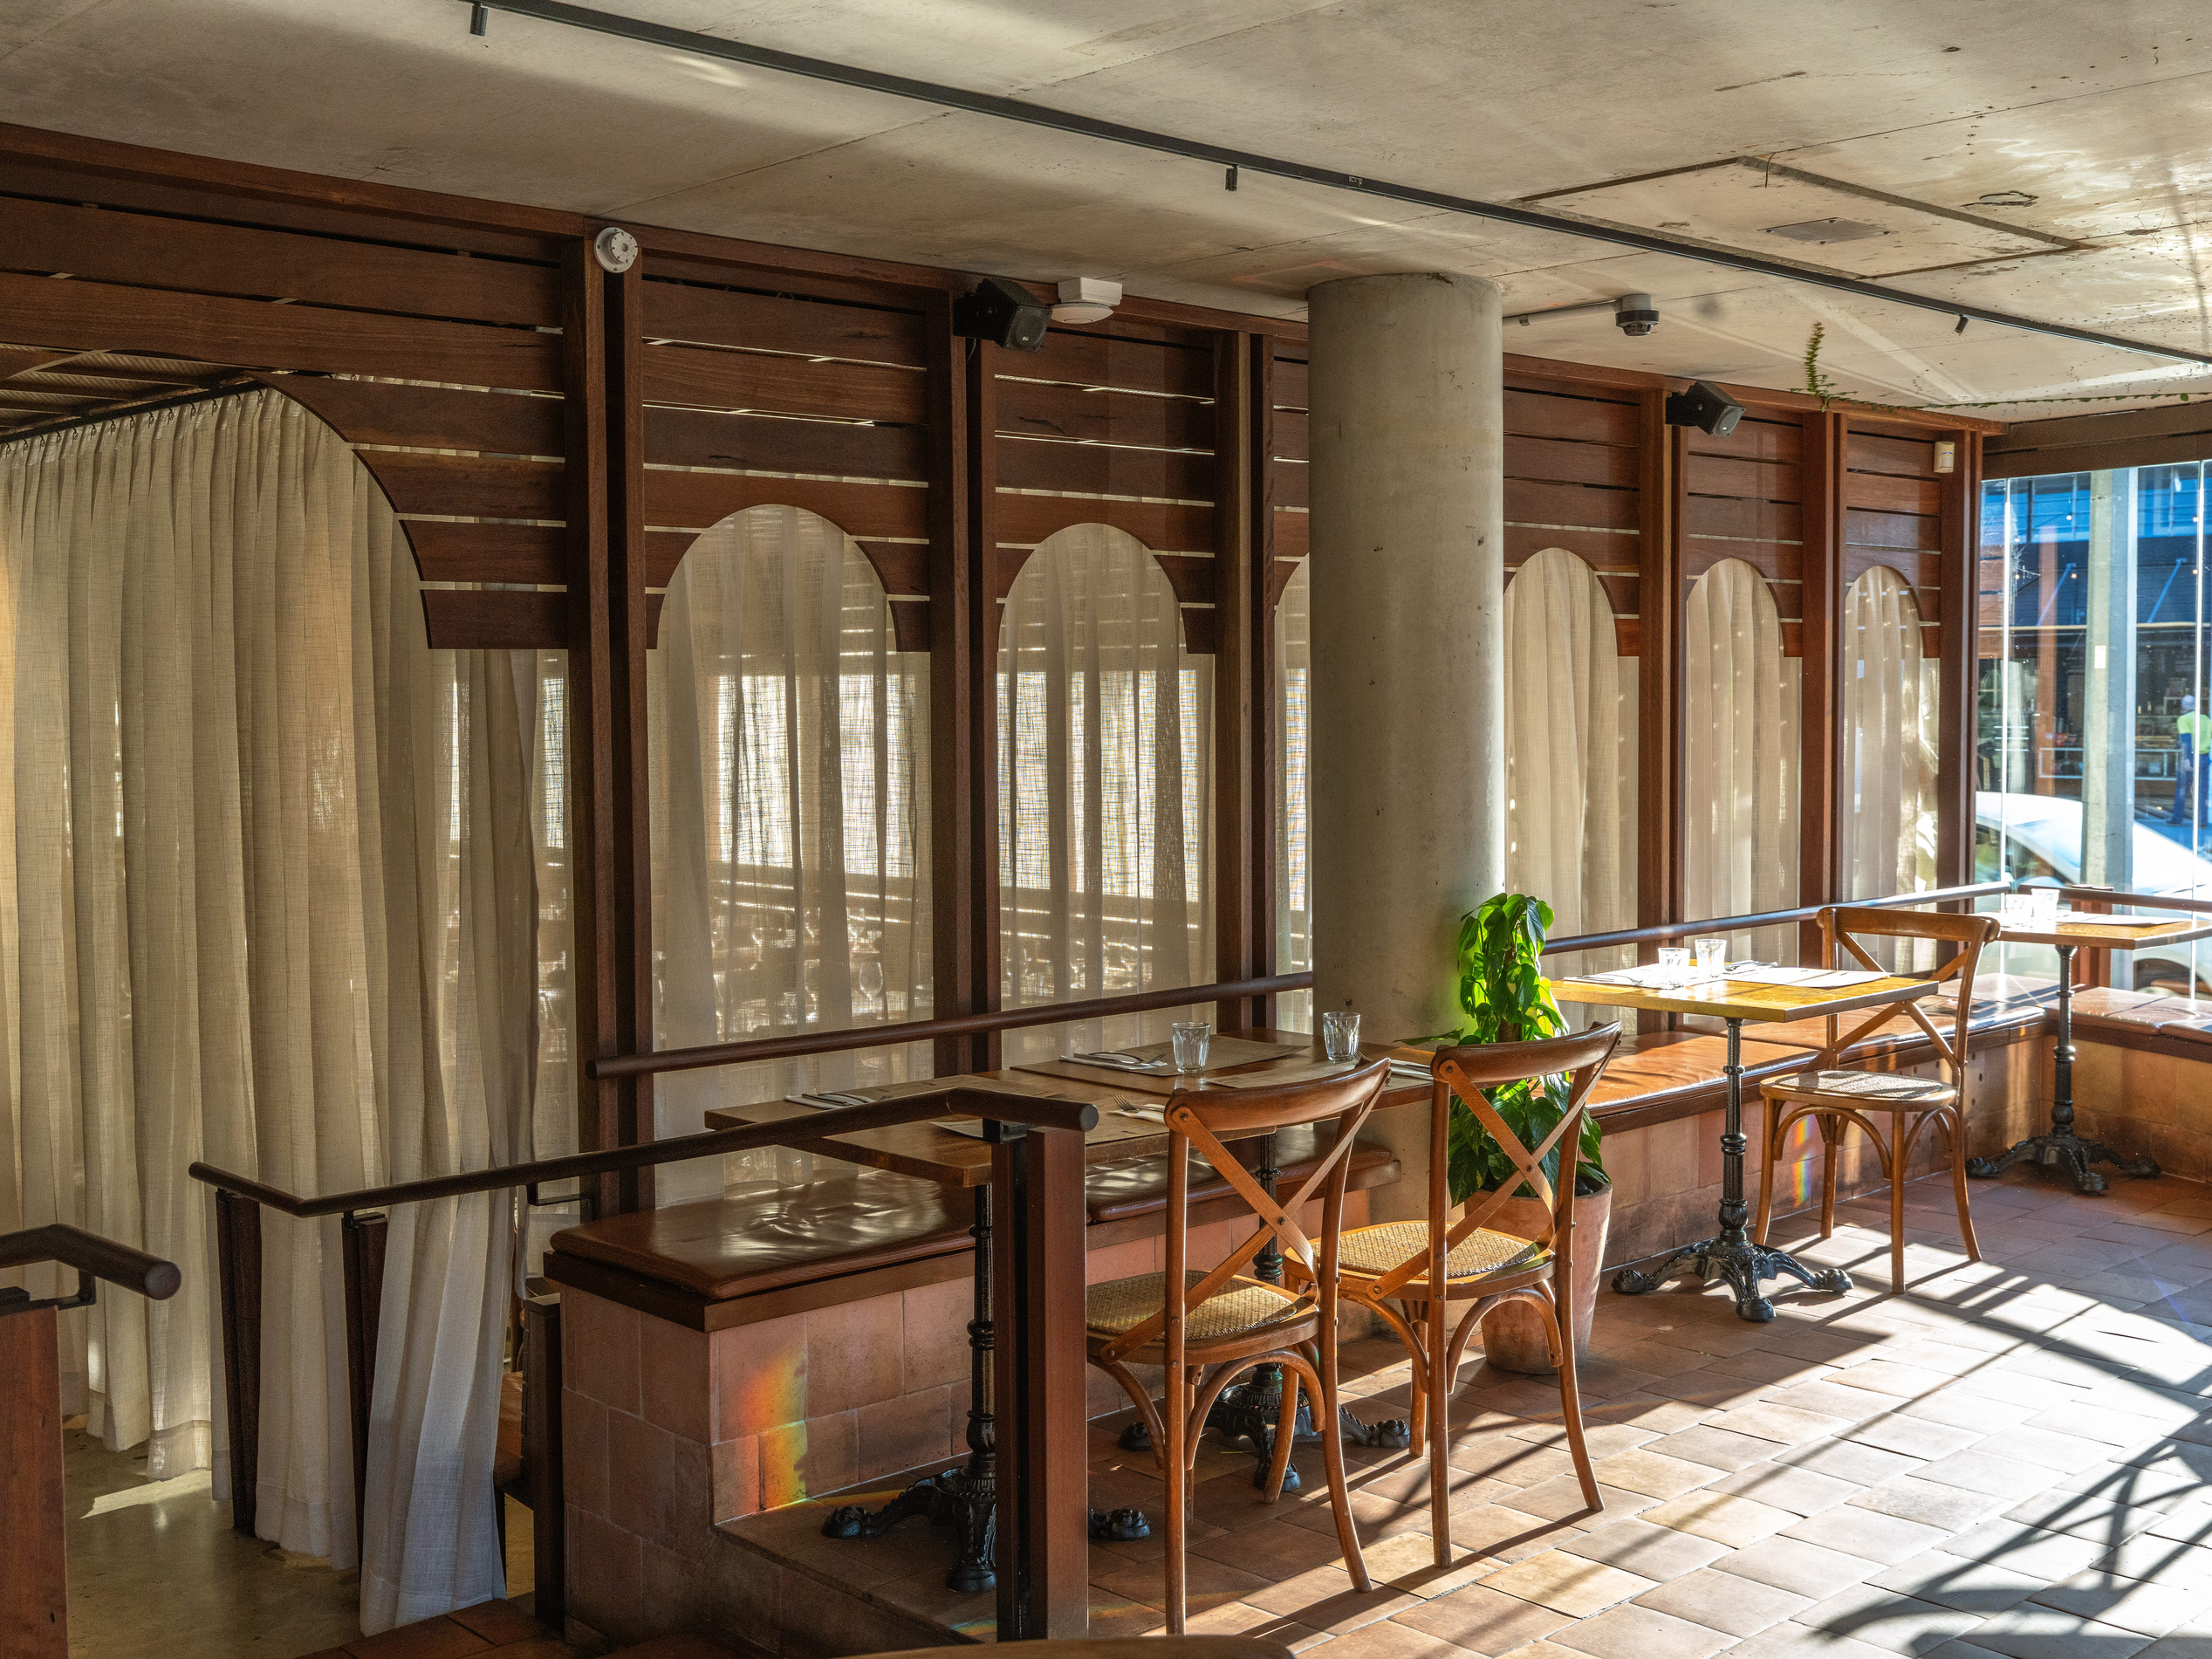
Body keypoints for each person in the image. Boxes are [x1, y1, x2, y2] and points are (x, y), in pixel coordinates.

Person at [2177, 695, 2212, 826]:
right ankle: (2202, 820)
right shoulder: (2206, 719)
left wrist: (2187, 759)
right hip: (2204, 758)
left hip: (2191, 757)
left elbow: (2186, 741)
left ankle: (2177, 818)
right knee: (2202, 791)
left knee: (2182, 789)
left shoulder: (2183, 719)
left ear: (2183, 706)